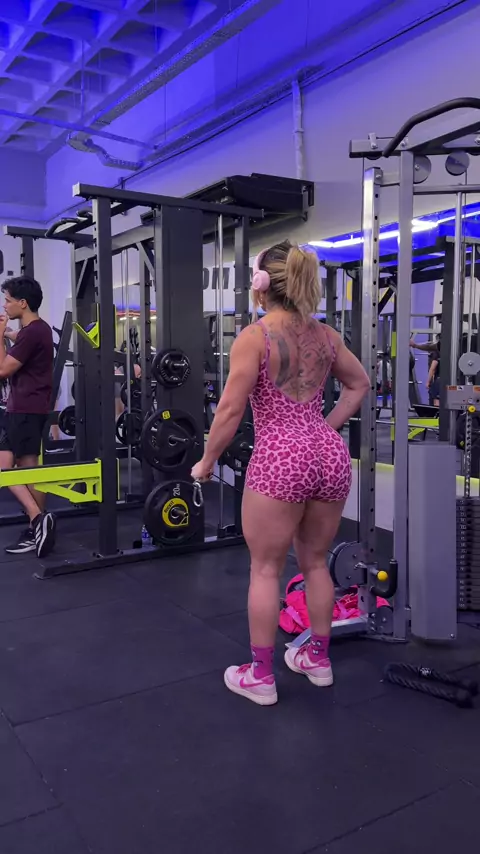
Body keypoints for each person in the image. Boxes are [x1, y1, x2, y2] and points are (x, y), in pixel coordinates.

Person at [191, 241, 369, 706]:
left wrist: (206, 462)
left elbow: (230, 410)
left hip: (279, 457)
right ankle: (318, 660)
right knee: (316, 562)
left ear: (260, 284)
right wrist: (323, 430)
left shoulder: (255, 336)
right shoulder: (327, 336)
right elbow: (360, 384)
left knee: (266, 569)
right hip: (328, 455)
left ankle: (260, 676)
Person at [0, 276, 56, 557]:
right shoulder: (37, 329)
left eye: (8, 300)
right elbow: (20, 340)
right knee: (26, 469)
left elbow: (2, 370)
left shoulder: (33, 332)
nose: (5, 305)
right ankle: (37, 528)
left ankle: (37, 519)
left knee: (10, 469)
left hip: (24, 409)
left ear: (23, 303)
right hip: (27, 408)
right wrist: (9, 334)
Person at [410, 336, 440, 406]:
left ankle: (438, 413)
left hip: (440, 380)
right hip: (451, 380)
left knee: (437, 401)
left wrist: (428, 382)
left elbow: (433, 368)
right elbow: (429, 346)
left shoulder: (439, 351)